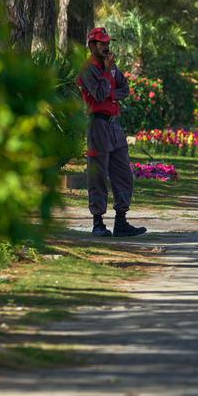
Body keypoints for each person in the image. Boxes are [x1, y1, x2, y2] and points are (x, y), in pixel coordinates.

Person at [77, 27, 146, 238]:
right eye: (102, 43)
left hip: (114, 124)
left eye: (107, 42)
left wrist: (111, 92)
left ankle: (121, 221)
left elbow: (125, 89)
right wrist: (107, 75)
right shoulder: (88, 69)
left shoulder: (113, 67)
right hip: (97, 124)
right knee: (98, 174)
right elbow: (98, 96)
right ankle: (98, 222)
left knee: (123, 172)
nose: (106, 46)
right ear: (92, 45)